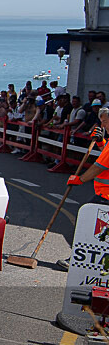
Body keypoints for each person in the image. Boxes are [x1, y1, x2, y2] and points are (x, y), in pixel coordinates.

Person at [59, 110, 109, 269]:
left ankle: (76, 259)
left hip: (106, 196)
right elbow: (105, 156)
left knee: (86, 224)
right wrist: (101, 143)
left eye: (105, 122)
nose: (102, 125)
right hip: (104, 195)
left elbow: (98, 167)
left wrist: (80, 179)